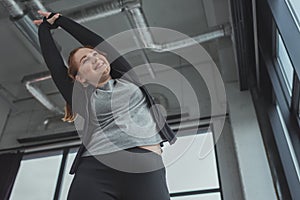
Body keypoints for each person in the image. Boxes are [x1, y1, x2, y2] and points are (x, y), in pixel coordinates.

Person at [34, 10, 177, 200]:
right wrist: (44, 29)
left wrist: (61, 21)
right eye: (85, 60)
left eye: (95, 54)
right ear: (80, 79)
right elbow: (55, 66)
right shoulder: (81, 98)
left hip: (144, 164)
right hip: (95, 169)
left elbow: (99, 41)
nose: (95, 58)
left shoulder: (128, 78)